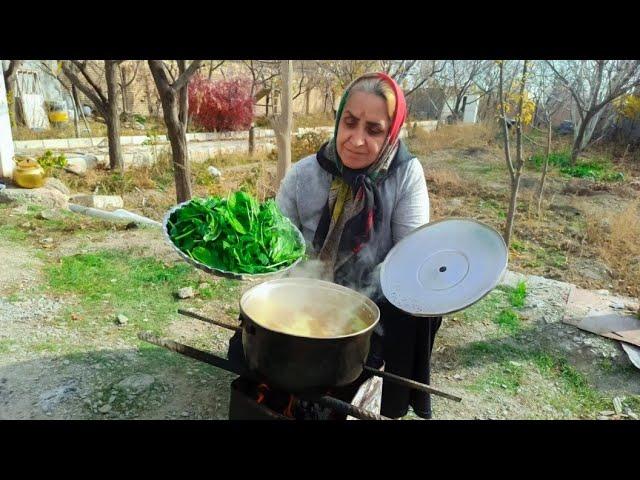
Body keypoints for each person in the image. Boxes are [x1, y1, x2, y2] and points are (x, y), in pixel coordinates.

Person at [228, 72, 442, 419]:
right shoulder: (304, 175)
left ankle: (384, 388)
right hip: (304, 289)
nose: (356, 140)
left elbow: (410, 255)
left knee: (419, 311)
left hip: (372, 298)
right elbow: (276, 247)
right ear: (339, 118)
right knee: (258, 338)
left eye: (373, 130)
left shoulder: (405, 174)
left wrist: (352, 303)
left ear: (391, 133)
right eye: (350, 122)